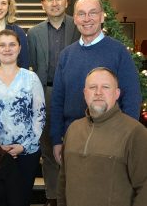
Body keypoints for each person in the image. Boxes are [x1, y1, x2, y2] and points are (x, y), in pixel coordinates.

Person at [50, 0, 142, 165]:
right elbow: (57, 101)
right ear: (75, 19)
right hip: (73, 139)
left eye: (92, 13)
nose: (87, 19)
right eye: (81, 14)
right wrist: (57, 139)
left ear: (101, 16)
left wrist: (127, 137)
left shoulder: (118, 51)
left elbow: (132, 96)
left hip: (111, 139)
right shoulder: (66, 55)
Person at [0, 29, 46, 206]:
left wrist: (24, 145)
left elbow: (40, 115)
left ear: (19, 48)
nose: (7, 49)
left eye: (12, 44)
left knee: (20, 200)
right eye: (2, 45)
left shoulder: (31, 78)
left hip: (26, 153)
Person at [57, 67, 147, 206]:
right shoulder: (74, 129)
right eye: (92, 87)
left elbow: (144, 188)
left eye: (105, 87)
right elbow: (63, 181)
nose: (98, 92)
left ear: (117, 93)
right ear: (85, 93)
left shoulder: (135, 132)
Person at [27, 0, 80, 205]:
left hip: (75, 93)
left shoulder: (78, 27)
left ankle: (75, 194)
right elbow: (31, 65)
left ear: (66, 1)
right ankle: (52, 196)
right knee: (48, 146)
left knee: (75, 145)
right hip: (45, 92)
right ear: (42, 4)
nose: (55, 2)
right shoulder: (34, 32)